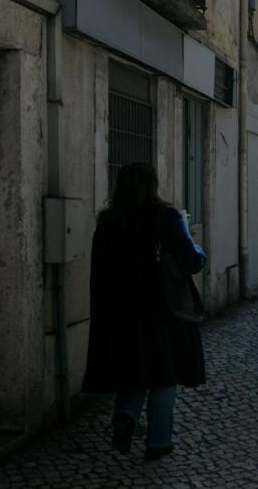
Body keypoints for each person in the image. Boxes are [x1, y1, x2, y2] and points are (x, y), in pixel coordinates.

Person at [82, 163, 206, 461]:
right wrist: (192, 243)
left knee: (133, 370)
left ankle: (126, 415)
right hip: (164, 313)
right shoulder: (167, 218)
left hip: (121, 313)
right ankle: (158, 442)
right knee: (163, 378)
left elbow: (98, 274)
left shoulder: (108, 222)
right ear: (153, 185)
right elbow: (192, 261)